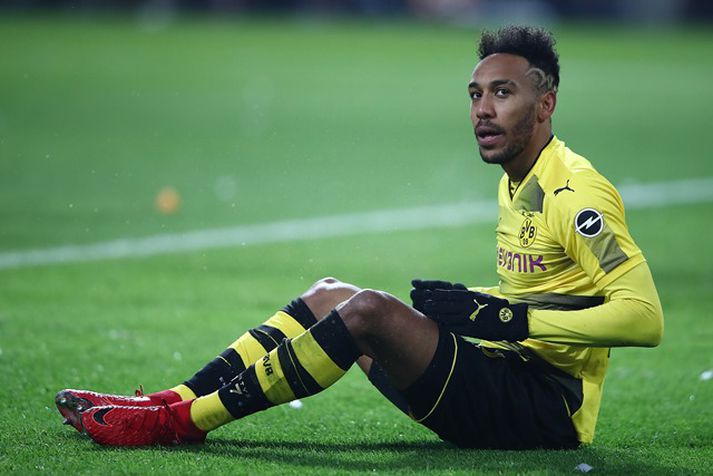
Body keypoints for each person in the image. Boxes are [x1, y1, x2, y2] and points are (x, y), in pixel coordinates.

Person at [55, 25, 663, 449]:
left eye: (503, 93)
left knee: (368, 312)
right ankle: (165, 402)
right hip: (503, 376)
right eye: (476, 94)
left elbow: (644, 318)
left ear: (545, 103)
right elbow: (548, 293)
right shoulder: (518, 180)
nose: (483, 109)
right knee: (330, 295)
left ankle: (180, 425)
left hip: (545, 408)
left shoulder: (575, 193)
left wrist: (510, 318)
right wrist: (478, 303)